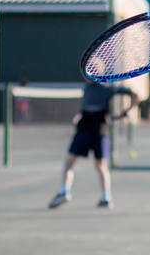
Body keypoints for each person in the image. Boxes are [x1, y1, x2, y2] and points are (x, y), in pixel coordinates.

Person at [48, 81, 136, 210]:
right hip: (87, 128)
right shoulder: (88, 88)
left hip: (98, 129)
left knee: (99, 165)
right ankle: (64, 192)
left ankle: (105, 197)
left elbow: (134, 95)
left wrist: (125, 112)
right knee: (70, 162)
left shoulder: (107, 88)